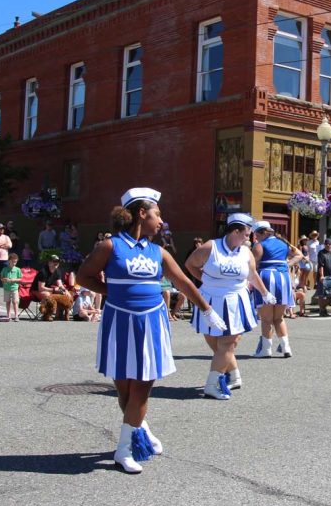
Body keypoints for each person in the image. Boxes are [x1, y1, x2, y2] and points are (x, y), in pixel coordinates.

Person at [77, 188, 225, 473]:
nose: (161, 221)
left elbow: (183, 283)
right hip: (119, 321)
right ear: (141, 214)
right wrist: (113, 291)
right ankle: (139, 429)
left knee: (142, 389)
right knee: (124, 388)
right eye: (157, 215)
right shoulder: (110, 246)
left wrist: (207, 309)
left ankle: (124, 448)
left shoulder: (158, 252)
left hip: (151, 322)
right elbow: (83, 275)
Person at [185, 213, 271, 400]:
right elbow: (190, 264)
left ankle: (212, 384)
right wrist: (206, 280)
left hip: (236, 301)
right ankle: (234, 375)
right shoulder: (210, 247)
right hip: (210, 300)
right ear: (235, 231)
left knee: (227, 344)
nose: (250, 238)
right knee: (215, 343)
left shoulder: (246, 252)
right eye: (247, 234)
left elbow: (252, 275)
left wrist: (265, 293)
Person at [250, 221, 300, 359]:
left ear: (260, 233)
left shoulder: (259, 245)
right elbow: (299, 254)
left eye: (256, 235)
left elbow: (252, 266)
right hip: (283, 278)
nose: (255, 238)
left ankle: (266, 349)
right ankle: (286, 348)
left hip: (266, 277)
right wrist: (285, 264)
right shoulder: (283, 243)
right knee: (279, 318)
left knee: (266, 319)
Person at [31, 254, 73, 321]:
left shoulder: (57, 271)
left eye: (57, 261)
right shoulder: (43, 272)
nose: (56, 263)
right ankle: (46, 315)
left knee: (63, 294)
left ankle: (59, 315)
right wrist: (53, 289)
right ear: (49, 263)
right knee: (48, 295)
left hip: (47, 290)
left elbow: (60, 285)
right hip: (35, 291)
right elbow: (40, 288)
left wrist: (66, 291)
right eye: (54, 261)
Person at [315, 238, 331, 316]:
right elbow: (321, 265)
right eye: (326, 244)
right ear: (324, 245)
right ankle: (322, 311)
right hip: (323, 277)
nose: (328, 245)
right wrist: (321, 276)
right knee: (321, 294)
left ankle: (322, 308)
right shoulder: (321, 253)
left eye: (329, 244)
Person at [1, 252, 23, 320]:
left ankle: (16, 315)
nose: (14, 263)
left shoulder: (18, 269)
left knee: (15, 302)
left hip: (14, 288)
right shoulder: (5, 269)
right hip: (6, 288)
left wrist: (13, 280)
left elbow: (20, 279)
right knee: (8, 302)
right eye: (13, 261)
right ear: (9, 261)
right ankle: (8, 315)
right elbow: (1, 278)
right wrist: (4, 279)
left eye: (15, 262)